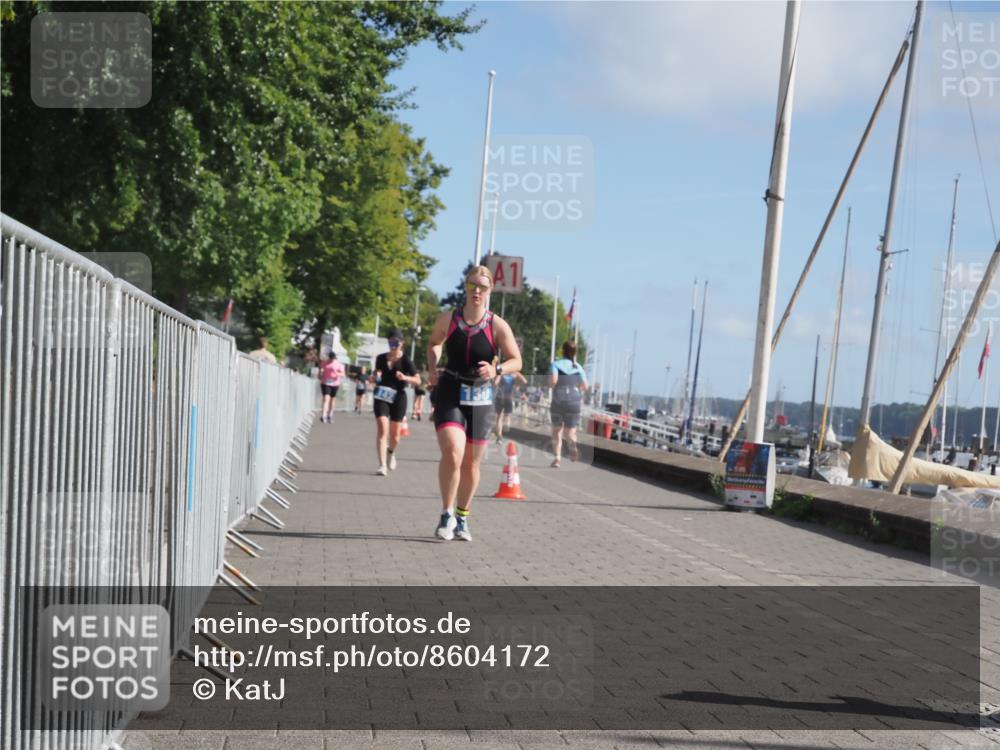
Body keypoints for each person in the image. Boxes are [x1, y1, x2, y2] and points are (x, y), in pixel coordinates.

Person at [427, 265, 522, 542]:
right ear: (465, 288)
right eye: (472, 286)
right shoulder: (449, 319)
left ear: (490, 290)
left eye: (482, 287)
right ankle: (446, 513)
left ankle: (463, 516)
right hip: (451, 389)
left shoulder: (497, 325)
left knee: (471, 464)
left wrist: (497, 370)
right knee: (453, 452)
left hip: (480, 397)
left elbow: (516, 359)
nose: (476, 291)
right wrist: (432, 366)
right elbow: (434, 343)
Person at [372, 328, 419, 476]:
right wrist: (374, 377)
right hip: (382, 395)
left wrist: (405, 378)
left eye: (396, 343)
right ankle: (382, 465)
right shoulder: (380, 358)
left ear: (402, 344)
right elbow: (377, 375)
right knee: (382, 429)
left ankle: (390, 452)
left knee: (395, 437)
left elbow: (418, 380)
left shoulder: (406, 360)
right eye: (391, 342)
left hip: (398, 396)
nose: (393, 345)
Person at [549, 340, 588, 468]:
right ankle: (573, 446)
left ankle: (557, 459)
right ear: (575, 352)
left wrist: (551, 385)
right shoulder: (578, 367)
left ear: (563, 351)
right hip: (574, 400)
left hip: (559, 399)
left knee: (557, 431)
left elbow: (553, 381)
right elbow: (585, 386)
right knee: (570, 432)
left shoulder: (555, 364)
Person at [493, 370, 527, 443]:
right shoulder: (515, 373)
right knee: (507, 415)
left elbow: (495, 383)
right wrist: (517, 385)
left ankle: (499, 436)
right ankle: (507, 424)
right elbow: (525, 381)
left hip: (499, 396)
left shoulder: (501, 372)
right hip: (509, 397)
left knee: (499, 417)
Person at [318, 351, 345, 423]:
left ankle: (330, 415)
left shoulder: (339, 365)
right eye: (330, 359)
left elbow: (343, 374)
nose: (331, 360)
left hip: (335, 383)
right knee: (326, 399)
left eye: (332, 359)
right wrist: (320, 373)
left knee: (332, 400)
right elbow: (320, 372)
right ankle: (324, 415)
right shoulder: (324, 363)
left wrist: (337, 373)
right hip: (326, 383)